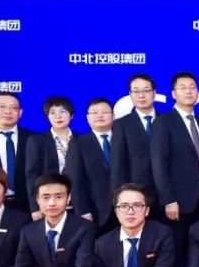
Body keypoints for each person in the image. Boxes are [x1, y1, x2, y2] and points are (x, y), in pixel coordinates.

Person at [150, 71, 199, 267]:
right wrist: (168, 200)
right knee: (175, 252)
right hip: (177, 201)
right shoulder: (163, 122)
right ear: (173, 93)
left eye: (192, 87)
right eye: (183, 87)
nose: (188, 91)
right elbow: (159, 163)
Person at [66, 97, 118, 235]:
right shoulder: (78, 144)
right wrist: (83, 211)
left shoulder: (123, 139)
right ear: (88, 118)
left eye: (104, 112)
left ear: (113, 116)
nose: (100, 115)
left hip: (126, 209)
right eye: (95, 113)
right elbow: (75, 180)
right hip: (95, 212)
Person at [25, 96, 78, 220]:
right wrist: (35, 207)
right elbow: (32, 175)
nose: (58, 116)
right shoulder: (37, 141)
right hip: (49, 202)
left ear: (71, 115)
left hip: (78, 202)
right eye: (52, 113)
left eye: (62, 112)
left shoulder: (81, 139)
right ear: (47, 116)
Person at [111, 73, 159, 208]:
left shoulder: (167, 120)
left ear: (154, 93)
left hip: (167, 193)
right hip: (136, 194)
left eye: (146, 90)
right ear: (130, 94)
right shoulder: (122, 124)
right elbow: (117, 164)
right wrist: (120, 197)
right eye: (136, 91)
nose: (141, 95)